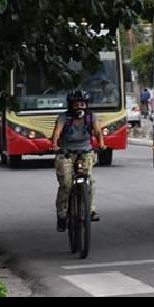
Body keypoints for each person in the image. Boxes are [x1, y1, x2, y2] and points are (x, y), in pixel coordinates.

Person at [49, 90, 105, 232]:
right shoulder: (63, 117)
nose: (79, 107)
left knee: (90, 181)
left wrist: (101, 143)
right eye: (76, 104)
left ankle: (90, 211)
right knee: (66, 185)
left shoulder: (91, 117)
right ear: (70, 105)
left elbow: (98, 131)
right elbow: (57, 133)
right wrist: (55, 145)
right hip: (66, 152)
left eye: (82, 103)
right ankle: (61, 215)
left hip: (86, 152)